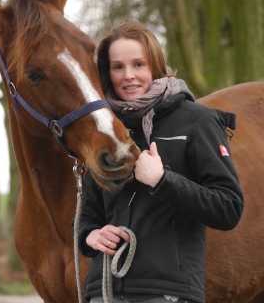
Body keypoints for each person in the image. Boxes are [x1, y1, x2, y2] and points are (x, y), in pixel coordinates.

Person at [78, 21, 243, 303]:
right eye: (118, 67)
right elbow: (90, 214)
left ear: (154, 65)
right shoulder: (102, 129)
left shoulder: (196, 121)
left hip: (169, 293)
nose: (128, 75)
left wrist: (162, 180)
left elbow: (228, 207)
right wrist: (91, 235)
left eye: (138, 64)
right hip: (103, 292)